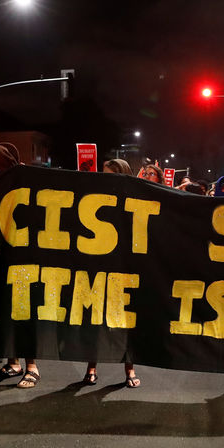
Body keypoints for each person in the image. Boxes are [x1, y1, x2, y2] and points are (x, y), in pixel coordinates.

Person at [0, 144, 42, 389]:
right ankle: (13, 363)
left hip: (21, 258)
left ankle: (31, 366)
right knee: (3, 312)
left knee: (23, 312)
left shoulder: (20, 184)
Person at [81, 159, 142, 388]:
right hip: (98, 266)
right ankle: (91, 367)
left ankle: (130, 370)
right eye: (104, 174)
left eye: (111, 175)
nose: (106, 178)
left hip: (124, 269)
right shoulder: (94, 200)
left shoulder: (132, 200)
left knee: (125, 321)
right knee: (96, 320)